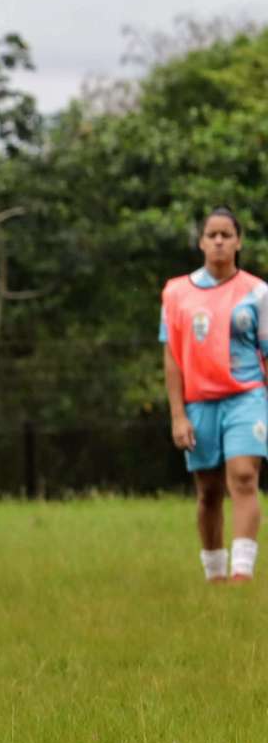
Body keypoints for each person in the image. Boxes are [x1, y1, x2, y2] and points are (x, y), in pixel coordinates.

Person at [161, 207, 268, 583]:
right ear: (201, 242)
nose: (220, 241)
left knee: (242, 476)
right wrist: (178, 414)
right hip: (199, 401)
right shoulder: (177, 292)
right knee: (208, 490)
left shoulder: (257, 293)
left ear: (238, 241)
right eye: (212, 235)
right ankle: (215, 577)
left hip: (246, 396)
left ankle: (242, 575)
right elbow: (172, 356)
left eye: (227, 234)